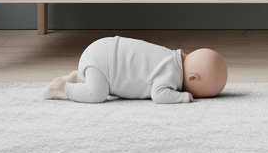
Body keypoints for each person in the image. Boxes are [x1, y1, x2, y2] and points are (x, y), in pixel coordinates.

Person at [43, 35, 227, 103]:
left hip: (102, 50)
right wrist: (182, 97)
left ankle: (79, 77)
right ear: (193, 78)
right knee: (97, 94)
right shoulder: (172, 74)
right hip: (102, 62)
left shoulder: (170, 56)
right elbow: (159, 95)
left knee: (98, 85)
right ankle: (64, 88)